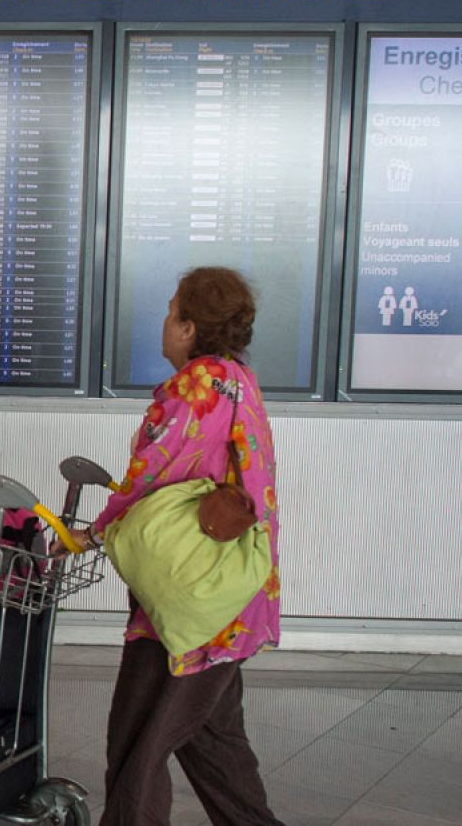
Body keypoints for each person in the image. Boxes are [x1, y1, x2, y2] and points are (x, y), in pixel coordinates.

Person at [79, 266, 285, 826]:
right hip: (232, 593)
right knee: (217, 749)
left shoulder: (197, 386)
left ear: (190, 328)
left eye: (172, 313)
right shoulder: (240, 380)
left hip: (184, 607)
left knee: (138, 746)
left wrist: (91, 534)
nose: (166, 324)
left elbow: (151, 477)